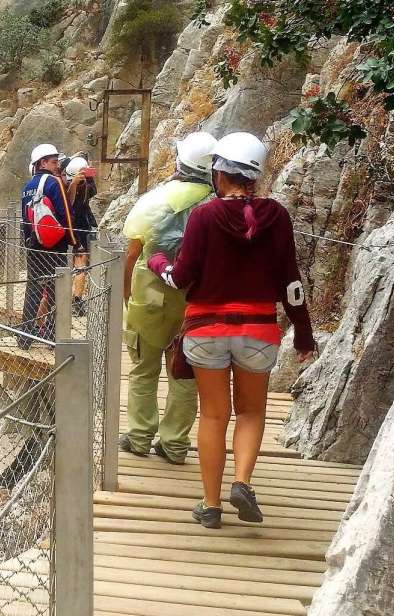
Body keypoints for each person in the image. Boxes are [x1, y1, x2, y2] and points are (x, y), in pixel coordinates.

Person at [147, 132, 316, 529]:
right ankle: (241, 481)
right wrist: (305, 334)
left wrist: (158, 264)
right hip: (258, 331)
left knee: (213, 416)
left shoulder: (204, 217)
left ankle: (210, 505)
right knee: (252, 411)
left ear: (219, 172)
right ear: (255, 176)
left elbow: (183, 276)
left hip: (206, 330)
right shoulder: (276, 216)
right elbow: (290, 283)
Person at [118, 132, 217, 466]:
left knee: (144, 370)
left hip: (151, 298)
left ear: (181, 161)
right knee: (183, 374)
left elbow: (132, 253)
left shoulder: (156, 200)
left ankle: (140, 436)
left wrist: (127, 293)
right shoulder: (216, 205)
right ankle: (175, 444)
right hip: (195, 303)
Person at [17, 143, 76, 347]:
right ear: (43, 162)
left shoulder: (27, 187)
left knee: (33, 288)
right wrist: (74, 242)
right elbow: (65, 214)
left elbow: (25, 220)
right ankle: (52, 335)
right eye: (53, 161)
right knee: (55, 288)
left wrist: (27, 243)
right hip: (55, 246)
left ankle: (24, 336)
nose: (57, 165)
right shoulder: (53, 182)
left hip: (33, 245)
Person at [61, 155, 98, 316]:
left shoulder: (83, 186)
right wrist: (74, 183)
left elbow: (72, 202)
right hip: (78, 226)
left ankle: (75, 297)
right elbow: (71, 204)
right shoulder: (77, 186)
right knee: (81, 261)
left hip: (78, 225)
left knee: (81, 262)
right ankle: (76, 298)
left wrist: (76, 182)